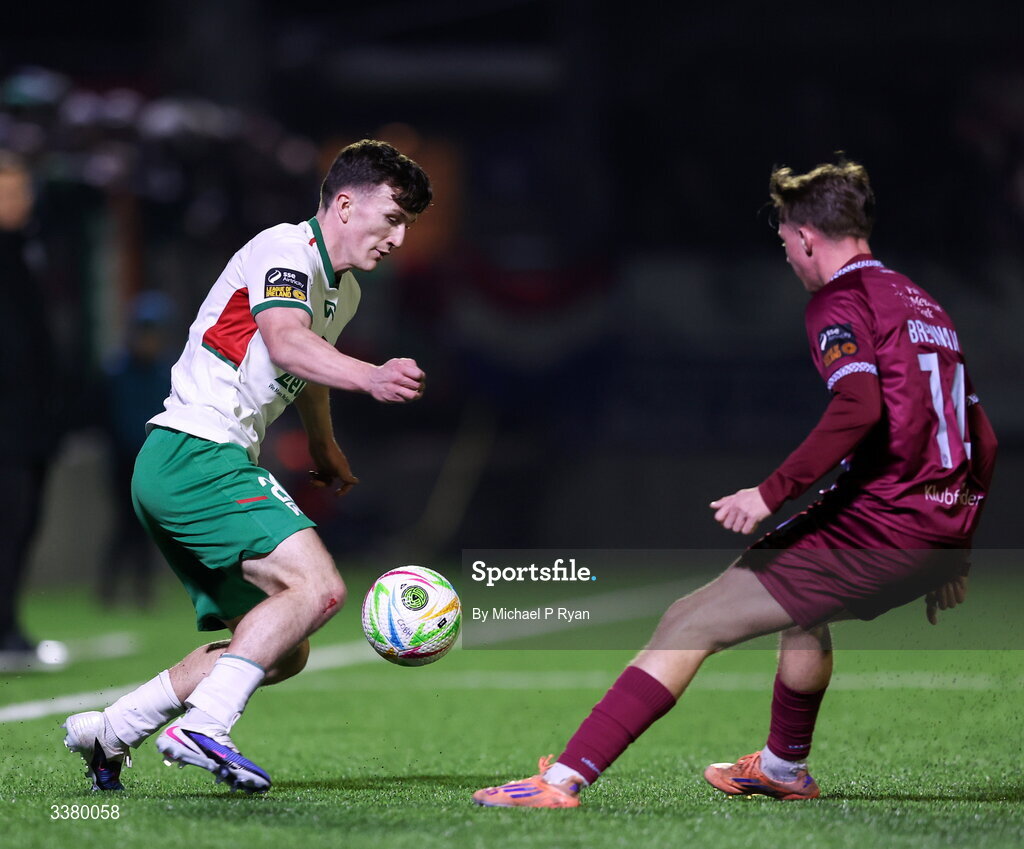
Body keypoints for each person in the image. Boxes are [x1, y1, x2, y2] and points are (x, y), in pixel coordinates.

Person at [471, 159, 998, 808]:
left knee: (687, 621)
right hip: (931, 521)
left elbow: (858, 405)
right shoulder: (924, 305)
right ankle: (782, 766)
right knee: (801, 610)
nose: (788, 258)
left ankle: (560, 781)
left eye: (785, 244)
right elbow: (983, 435)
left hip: (883, 522)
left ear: (807, 236)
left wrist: (770, 492)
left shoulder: (841, 301)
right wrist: (958, 545)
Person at [63, 139, 432, 793]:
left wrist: (323, 444)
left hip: (195, 461)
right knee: (318, 587)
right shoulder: (283, 249)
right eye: (393, 218)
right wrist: (371, 375)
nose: (398, 239)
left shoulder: (340, 293)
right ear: (345, 205)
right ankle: (204, 724)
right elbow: (287, 341)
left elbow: (307, 367)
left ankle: (111, 729)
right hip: (195, 452)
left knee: (282, 649)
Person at [0, 150, 68, 672]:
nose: (20, 200)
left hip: (29, 424)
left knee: (21, 525)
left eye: (23, 189)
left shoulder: (25, 249)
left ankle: (8, 629)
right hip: (8, 426)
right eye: (9, 190)